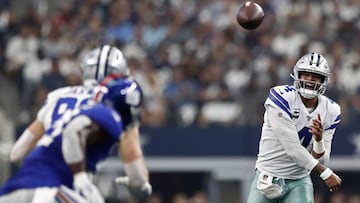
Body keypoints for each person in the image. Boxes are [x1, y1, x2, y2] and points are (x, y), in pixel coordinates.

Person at [0, 75, 151, 202]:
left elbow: (17, 153)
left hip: (20, 184)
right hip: (48, 187)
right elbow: (73, 131)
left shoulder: (83, 110)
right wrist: (80, 176)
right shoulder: (109, 115)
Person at [247, 52, 342, 203]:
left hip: (298, 180)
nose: (310, 79)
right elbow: (292, 149)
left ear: (324, 80)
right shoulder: (281, 97)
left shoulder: (331, 110)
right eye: (306, 74)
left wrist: (318, 141)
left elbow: (323, 161)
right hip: (268, 175)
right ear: (297, 75)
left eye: (316, 76)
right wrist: (325, 174)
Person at [10, 44, 129, 162]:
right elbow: (132, 161)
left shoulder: (59, 95)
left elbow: (16, 153)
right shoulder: (111, 103)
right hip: (72, 174)